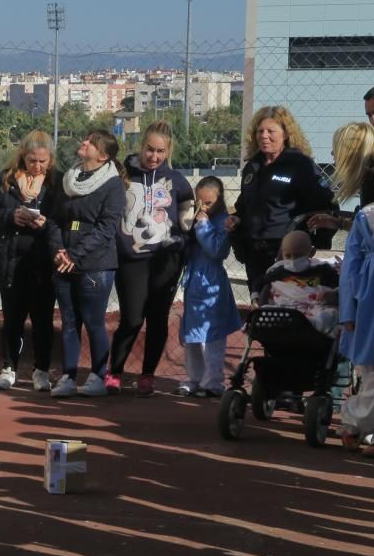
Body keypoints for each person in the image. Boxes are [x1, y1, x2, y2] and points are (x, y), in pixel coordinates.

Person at [107, 121, 194, 397]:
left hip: (166, 262)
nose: (154, 156)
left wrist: (179, 242)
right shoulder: (122, 174)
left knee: (157, 320)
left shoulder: (178, 181)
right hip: (131, 260)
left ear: (167, 151)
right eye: (149, 150)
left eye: (160, 151)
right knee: (132, 319)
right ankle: (115, 372)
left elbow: (187, 223)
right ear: (141, 146)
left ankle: (147, 375)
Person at [44, 130, 127, 398]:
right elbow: (54, 219)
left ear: (103, 156)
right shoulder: (69, 180)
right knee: (69, 322)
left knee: (93, 321)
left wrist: (74, 255)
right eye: (86, 138)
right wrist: (58, 250)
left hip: (95, 266)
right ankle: (68, 376)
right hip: (63, 262)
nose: (85, 142)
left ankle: (98, 376)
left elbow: (106, 228)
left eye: (92, 143)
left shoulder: (113, 185)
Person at [0, 130, 60, 392]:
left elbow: (63, 219)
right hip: (10, 259)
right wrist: (10, 216)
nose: (37, 166)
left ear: (51, 160)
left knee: (42, 319)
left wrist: (45, 223)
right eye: (32, 160)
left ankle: (41, 371)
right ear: (22, 156)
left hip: (42, 262)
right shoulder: (5, 179)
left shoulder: (56, 183)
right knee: (12, 318)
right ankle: (9, 367)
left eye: (42, 161)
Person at [233, 106, 334, 296]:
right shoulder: (252, 167)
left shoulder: (299, 164)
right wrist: (237, 219)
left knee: (289, 302)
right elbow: (244, 205)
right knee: (259, 300)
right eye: (260, 131)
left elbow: (325, 205)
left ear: (286, 134)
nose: (264, 136)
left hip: (287, 252)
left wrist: (313, 245)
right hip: (254, 252)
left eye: (270, 131)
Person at [178, 177, 239, 398]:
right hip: (193, 281)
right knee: (192, 335)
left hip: (211, 281)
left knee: (212, 335)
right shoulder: (193, 217)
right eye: (200, 202)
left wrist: (203, 225)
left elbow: (217, 250)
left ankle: (213, 381)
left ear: (220, 199)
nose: (203, 207)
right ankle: (194, 378)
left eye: (209, 203)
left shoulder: (224, 221)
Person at [340, 183, 374, 454]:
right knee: (371, 369)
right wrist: (347, 310)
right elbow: (350, 265)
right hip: (371, 296)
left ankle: (356, 422)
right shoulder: (367, 215)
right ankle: (363, 425)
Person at [255, 230, 339, 335]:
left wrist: (332, 294)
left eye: (299, 255)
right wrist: (255, 296)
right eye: (288, 256)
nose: (293, 260)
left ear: (311, 252)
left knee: (332, 314)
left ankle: (310, 324)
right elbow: (261, 281)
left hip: (314, 308)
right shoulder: (279, 270)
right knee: (265, 311)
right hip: (287, 307)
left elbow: (340, 285)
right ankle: (296, 323)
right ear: (282, 253)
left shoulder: (322, 269)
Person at [305, 122, 374, 235]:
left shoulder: (371, 180)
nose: (332, 153)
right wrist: (338, 223)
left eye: (337, 148)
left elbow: (367, 231)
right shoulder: (368, 177)